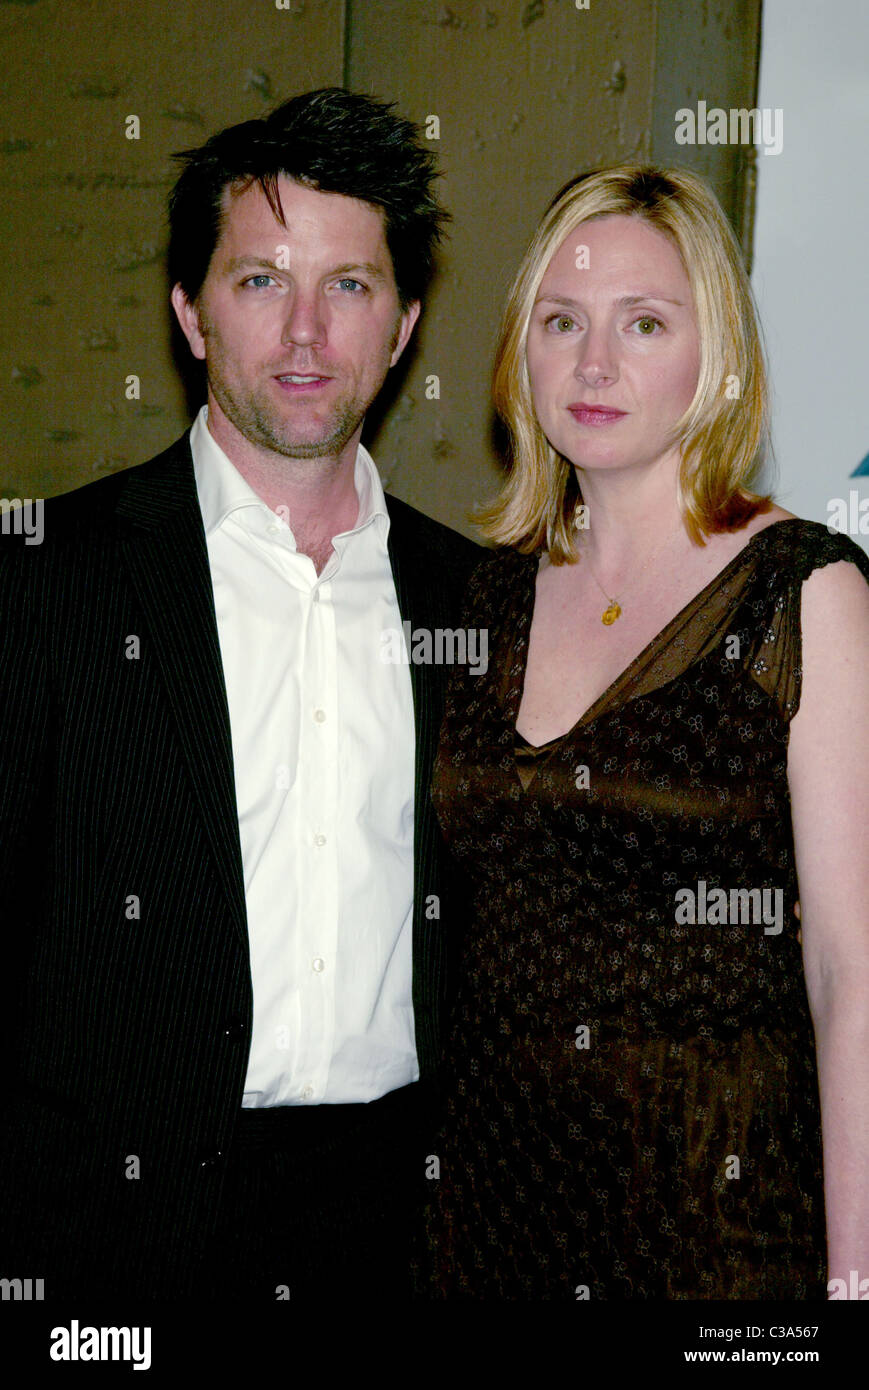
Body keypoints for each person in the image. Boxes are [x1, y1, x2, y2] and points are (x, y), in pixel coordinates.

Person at [0, 88, 482, 1302]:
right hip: (115, 1235)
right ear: (190, 311)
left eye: (351, 286)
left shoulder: (481, 604)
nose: (307, 332)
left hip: (399, 1229)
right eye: (261, 281)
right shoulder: (47, 579)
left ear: (404, 321)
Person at [424, 165, 869, 1299]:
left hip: (715, 1237)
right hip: (485, 1216)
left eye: (644, 323)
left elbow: (848, 970)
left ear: (714, 357)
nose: (592, 363)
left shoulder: (801, 592)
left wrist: (855, 1278)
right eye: (560, 321)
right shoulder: (479, 602)